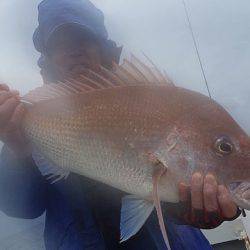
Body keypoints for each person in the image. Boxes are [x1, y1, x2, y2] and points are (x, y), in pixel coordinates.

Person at [0, 0, 240, 249]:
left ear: (103, 47)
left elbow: (165, 179)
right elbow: (21, 208)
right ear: (47, 59)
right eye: (61, 44)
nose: (75, 51)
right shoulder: (27, 125)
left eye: (84, 39)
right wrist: (18, 151)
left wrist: (188, 209)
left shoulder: (154, 101)